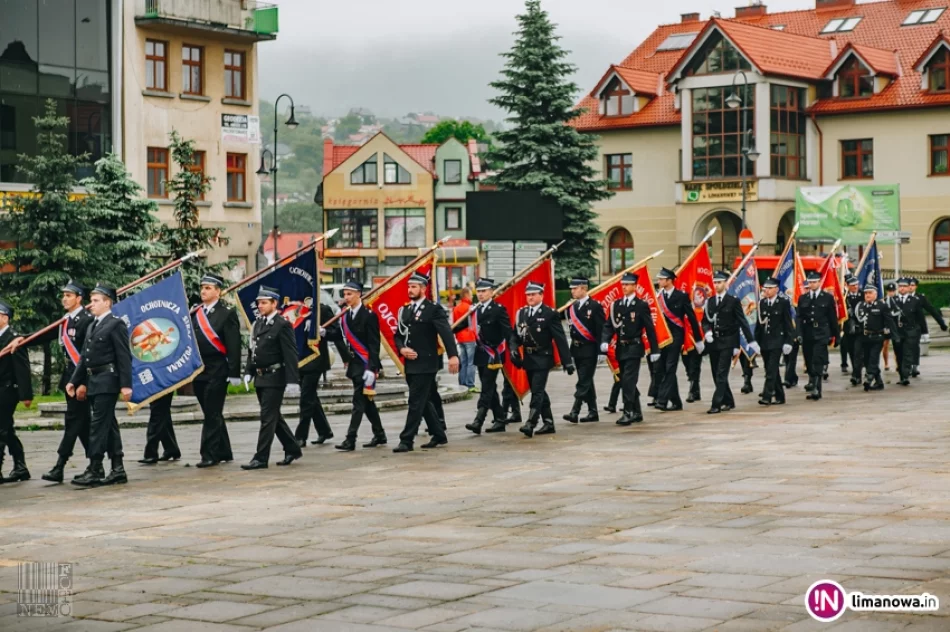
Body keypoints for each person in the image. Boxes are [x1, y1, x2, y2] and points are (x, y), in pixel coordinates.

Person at [5, 281, 91, 483]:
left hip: (80, 380)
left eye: (69, 295)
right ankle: (98, 464)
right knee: (82, 424)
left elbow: (88, 355)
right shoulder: (66, 320)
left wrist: (83, 382)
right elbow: (45, 335)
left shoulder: (85, 320)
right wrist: (22, 339)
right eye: (64, 295)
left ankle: (60, 465)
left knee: (74, 422)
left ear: (79, 298)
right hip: (70, 378)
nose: (64, 298)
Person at [66, 283, 132, 487]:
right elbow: (84, 357)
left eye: (96, 301)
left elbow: (124, 356)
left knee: (98, 427)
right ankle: (118, 468)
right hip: (94, 380)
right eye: (91, 300)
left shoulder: (115, 324)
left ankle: (95, 468)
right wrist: (74, 380)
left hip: (107, 381)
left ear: (107, 302)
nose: (91, 304)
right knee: (109, 426)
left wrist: (126, 385)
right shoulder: (93, 325)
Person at [393, 272, 460, 452]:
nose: (410, 290)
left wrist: (453, 356)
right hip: (410, 364)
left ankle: (406, 440)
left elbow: (446, 333)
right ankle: (438, 434)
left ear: (423, 289)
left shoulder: (433, 309)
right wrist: (401, 349)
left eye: (414, 287)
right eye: (409, 286)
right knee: (424, 401)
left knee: (415, 401)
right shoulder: (405, 310)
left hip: (427, 363)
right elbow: (398, 335)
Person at [241, 285, 303, 470]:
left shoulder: (282, 325)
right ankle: (292, 448)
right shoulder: (258, 323)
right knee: (274, 417)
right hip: (261, 378)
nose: (260, 306)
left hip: (276, 377)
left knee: (267, 418)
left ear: (274, 303)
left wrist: (293, 380)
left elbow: (291, 354)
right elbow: (254, 351)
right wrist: (248, 372)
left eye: (264, 302)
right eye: (259, 303)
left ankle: (260, 458)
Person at [190, 274, 242, 468]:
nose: (203, 291)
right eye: (202, 287)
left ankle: (209, 454)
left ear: (218, 291)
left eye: (208, 288)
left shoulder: (226, 313)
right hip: (199, 370)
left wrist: (234, 372)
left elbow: (234, 345)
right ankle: (224, 450)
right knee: (211, 412)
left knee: (212, 413)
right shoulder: (196, 312)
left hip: (218, 369)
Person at [511, 281, 573, 437]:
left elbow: (560, 339)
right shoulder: (522, 313)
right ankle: (549, 422)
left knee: (537, 391)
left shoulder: (549, 314)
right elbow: (516, 335)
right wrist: (513, 349)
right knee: (538, 390)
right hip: (529, 357)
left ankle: (530, 423)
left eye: (533, 294)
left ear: (541, 295)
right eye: (528, 295)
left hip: (543, 357)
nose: (530, 297)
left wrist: (568, 361)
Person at [334, 281, 387, 451]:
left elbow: (374, 344)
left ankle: (351, 439)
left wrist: (372, 368)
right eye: (345, 294)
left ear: (359, 294)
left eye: (349, 294)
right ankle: (380, 434)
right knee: (366, 402)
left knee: (358, 402)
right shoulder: (346, 315)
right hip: (355, 363)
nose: (346, 297)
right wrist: (323, 333)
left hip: (365, 365)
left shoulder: (369, 315)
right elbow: (338, 335)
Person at [600, 272, 658, 425]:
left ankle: (628, 412)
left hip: (634, 347)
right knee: (627, 381)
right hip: (621, 347)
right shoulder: (617, 305)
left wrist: (655, 349)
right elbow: (608, 325)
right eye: (623, 284)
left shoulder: (641, 305)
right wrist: (605, 341)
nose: (624, 287)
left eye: (627, 284)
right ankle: (637, 412)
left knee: (628, 380)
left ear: (635, 286)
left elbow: (650, 328)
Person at [456, 278, 511, 435]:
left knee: (486, 387)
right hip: (481, 353)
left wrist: (513, 349)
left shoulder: (498, 309)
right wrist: (446, 332)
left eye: (483, 291)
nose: (480, 294)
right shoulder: (475, 310)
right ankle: (500, 419)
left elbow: (507, 331)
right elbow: (462, 325)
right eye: (478, 291)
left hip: (493, 354)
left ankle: (478, 420)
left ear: (491, 292)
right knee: (490, 387)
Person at [295, 298, 350, 448]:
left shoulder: (322, 309)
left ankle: (300, 436)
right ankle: (324, 430)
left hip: (316, 360)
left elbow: (337, 334)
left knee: (306, 398)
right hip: (299, 360)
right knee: (311, 397)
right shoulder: (295, 309)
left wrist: (345, 356)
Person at [703, 271, 758, 415]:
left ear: (726, 284)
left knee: (722, 373)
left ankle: (716, 404)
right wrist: (707, 331)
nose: (716, 285)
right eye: (714, 282)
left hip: (727, 341)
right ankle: (729, 400)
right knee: (716, 374)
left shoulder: (733, 301)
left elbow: (742, 321)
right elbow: (705, 320)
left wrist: (750, 341)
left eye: (719, 282)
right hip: (714, 341)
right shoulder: (710, 301)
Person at [651, 268, 704, 413]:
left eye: (662, 279)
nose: (659, 281)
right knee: (662, 368)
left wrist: (698, 339)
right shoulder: (658, 296)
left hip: (676, 336)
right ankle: (676, 401)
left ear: (669, 280)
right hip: (663, 337)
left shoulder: (681, 296)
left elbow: (691, 317)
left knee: (670, 367)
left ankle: (662, 400)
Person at [0, 300, 34, 484]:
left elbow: (22, 369)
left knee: (1, 430)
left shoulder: (13, 338)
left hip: (7, 390)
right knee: (7, 429)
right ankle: (20, 466)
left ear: (5, 318)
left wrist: (26, 395)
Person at [563, 277, 605, 423]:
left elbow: (601, 329)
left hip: (590, 349)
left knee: (584, 381)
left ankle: (575, 411)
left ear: (584, 288)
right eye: (572, 288)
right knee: (585, 380)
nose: (572, 291)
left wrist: (601, 351)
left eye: (575, 288)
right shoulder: (571, 308)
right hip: (576, 349)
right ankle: (593, 412)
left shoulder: (594, 306)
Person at [797, 271, 839, 401]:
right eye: (810, 282)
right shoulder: (803, 298)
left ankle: (817, 388)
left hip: (821, 332)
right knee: (809, 360)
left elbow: (832, 317)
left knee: (817, 359)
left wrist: (836, 335)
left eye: (814, 282)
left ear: (819, 282)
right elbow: (799, 317)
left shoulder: (827, 297)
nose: (812, 284)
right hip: (807, 332)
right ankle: (812, 380)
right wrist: (798, 333)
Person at [756, 278, 794, 406]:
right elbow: (759, 325)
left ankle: (767, 396)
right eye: (765, 288)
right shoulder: (762, 303)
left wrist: (789, 341)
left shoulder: (783, 303)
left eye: (769, 288)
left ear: (776, 289)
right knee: (770, 368)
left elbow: (788, 323)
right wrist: (755, 342)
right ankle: (780, 395)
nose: (766, 290)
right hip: (765, 341)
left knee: (771, 369)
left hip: (778, 340)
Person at [854, 285, 898, 392]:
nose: (867, 295)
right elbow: (858, 321)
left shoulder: (882, 306)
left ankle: (869, 377)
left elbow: (890, 321)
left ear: (875, 294)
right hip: (864, 337)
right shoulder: (861, 306)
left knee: (873, 358)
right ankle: (879, 382)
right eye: (866, 293)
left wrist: (895, 335)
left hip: (877, 337)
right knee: (866, 359)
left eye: (870, 293)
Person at [909, 277, 947, 377]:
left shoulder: (920, 298)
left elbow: (932, 310)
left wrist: (942, 323)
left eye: (912, 285)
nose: (910, 287)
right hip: (904, 327)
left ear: (916, 286)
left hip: (916, 327)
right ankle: (905, 366)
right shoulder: (900, 298)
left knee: (914, 345)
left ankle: (914, 366)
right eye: (909, 285)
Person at [893, 278, 924, 386]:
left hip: (911, 331)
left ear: (908, 288)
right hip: (898, 331)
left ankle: (905, 376)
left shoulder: (915, 300)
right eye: (900, 286)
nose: (902, 288)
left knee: (907, 353)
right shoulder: (893, 300)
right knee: (899, 354)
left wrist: (923, 332)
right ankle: (902, 375)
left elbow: (920, 317)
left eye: (904, 286)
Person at [139, 393, 180, 464]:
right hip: (161, 384)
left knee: (157, 413)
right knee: (163, 413)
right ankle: (171, 449)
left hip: (160, 385)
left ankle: (151, 453)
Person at [453, 287, 477, 392]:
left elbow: (454, 323)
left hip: (460, 337)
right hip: (470, 337)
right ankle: (470, 384)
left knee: (463, 361)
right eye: (471, 294)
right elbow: (473, 323)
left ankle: (462, 383)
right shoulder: (470, 307)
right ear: (466, 295)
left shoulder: (456, 308)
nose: (472, 296)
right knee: (471, 362)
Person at [840, 276, 861, 374]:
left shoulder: (863, 295)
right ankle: (855, 371)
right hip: (849, 328)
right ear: (847, 286)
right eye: (852, 285)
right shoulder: (844, 297)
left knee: (860, 351)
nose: (855, 287)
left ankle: (858, 370)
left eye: (856, 284)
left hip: (861, 327)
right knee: (852, 350)